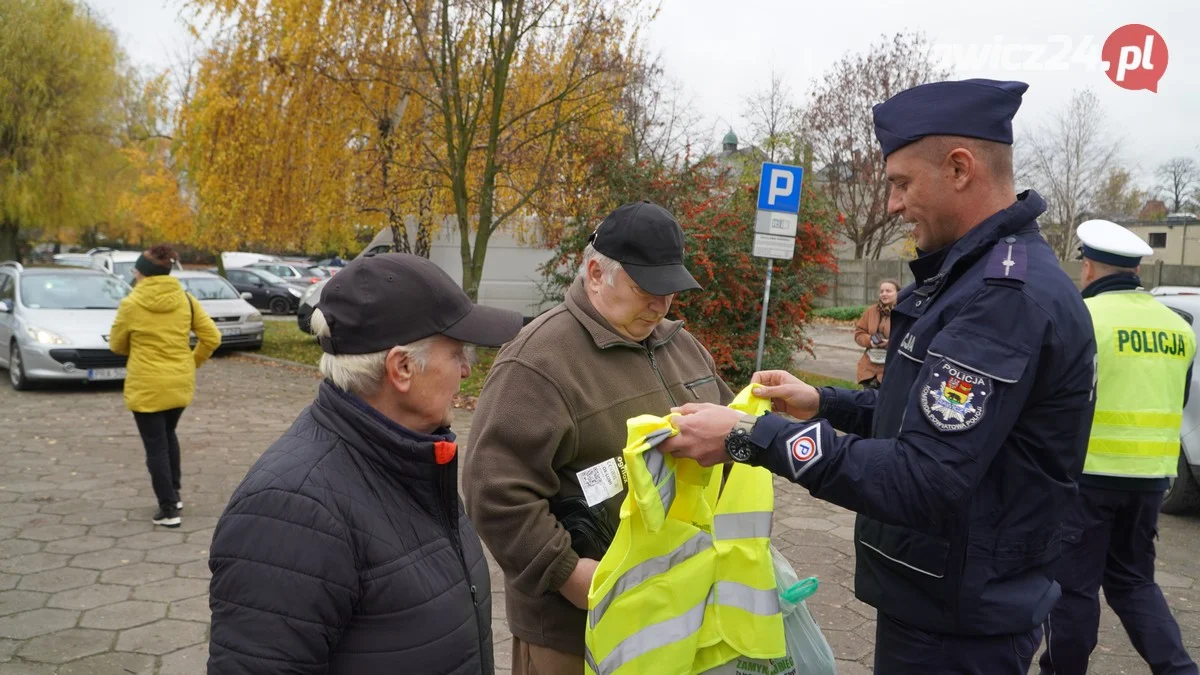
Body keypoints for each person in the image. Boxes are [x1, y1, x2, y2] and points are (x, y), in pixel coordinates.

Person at [659, 79, 1098, 674]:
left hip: (960, 629)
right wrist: (823, 403)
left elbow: (924, 476)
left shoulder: (1002, 299)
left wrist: (748, 436)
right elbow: (927, 421)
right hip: (944, 602)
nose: (892, 204)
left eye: (900, 183)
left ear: (960, 168)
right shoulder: (969, 280)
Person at [207, 254, 523, 674]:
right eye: (457, 353)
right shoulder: (292, 512)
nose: (467, 370)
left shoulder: (415, 461)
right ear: (403, 368)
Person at [463, 200, 734, 674]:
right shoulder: (538, 362)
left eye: (669, 290)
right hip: (575, 631)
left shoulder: (682, 346)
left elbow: (728, 433)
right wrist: (570, 575)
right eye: (646, 288)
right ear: (594, 273)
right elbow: (494, 492)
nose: (661, 304)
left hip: (676, 612)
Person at [1038, 220, 1198, 675]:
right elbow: (1179, 398)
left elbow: (1054, 400)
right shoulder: (1177, 327)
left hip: (1086, 478)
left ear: (1088, 267)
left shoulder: (1083, 318)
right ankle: (1179, 670)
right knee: (1134, 584)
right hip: (1152, 482)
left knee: (1073, 591)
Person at [109, 244, 221, 528]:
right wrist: (191, 362)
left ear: (144, 274)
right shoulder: (186, 300)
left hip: (146, 385)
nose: (135, 276)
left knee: (156, 446)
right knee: (168, 435)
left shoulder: (131, 304)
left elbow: (116, 345)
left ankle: (169, 509)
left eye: (136, 272)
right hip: (178, 383)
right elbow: (212, 338)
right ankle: (175, 494)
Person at [854, 279, 899, 389]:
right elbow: (859, 333)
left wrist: (890, 343)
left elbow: (909, 338)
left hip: (892, 370)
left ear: (898, 293)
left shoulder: (904, 312)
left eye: (888, 291)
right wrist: (870, 341)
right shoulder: (871, 311)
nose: (884, 294)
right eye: (881, 291)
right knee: (867, 403)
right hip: (869, 370)